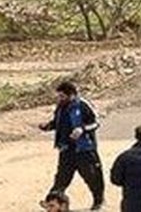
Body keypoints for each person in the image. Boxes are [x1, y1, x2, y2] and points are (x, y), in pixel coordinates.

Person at [39, 81, 104, 211]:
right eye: (58, 96)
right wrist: (48, 126)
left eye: (62, 96)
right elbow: (58, 123)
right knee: (61, 179)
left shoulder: (83, 105)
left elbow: (96, 123)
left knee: (92, 178)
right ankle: (52, 203)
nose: (59, 99)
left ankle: (98, 201)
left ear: (72, 95)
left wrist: (82, 129)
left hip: (84, 150)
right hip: (66, 150)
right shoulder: (60, 107)